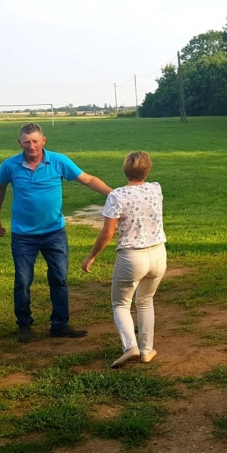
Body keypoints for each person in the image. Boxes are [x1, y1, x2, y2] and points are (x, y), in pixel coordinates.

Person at [0, 122, 112, 342]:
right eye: (26, 142)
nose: (31, 146)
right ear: (19, 143)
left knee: (59, 279)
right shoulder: (9, 165)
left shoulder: (59, 161)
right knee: (23, 281)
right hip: (23, 236)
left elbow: (87, 179)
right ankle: (24, 325)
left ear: (43, 141)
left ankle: (60, 324)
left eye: (35, 141)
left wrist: (114, 194)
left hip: (54, 233)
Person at [81, 151, 166, 368]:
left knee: (120, 303)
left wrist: (91, 256)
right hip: (158, 253)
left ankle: (130, 347)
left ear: (125, 169)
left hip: (131, 257)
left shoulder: (117, 196)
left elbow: (107, 233)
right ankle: (147, 350)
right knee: (145, 301)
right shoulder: (156, 188)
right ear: (148, 170)